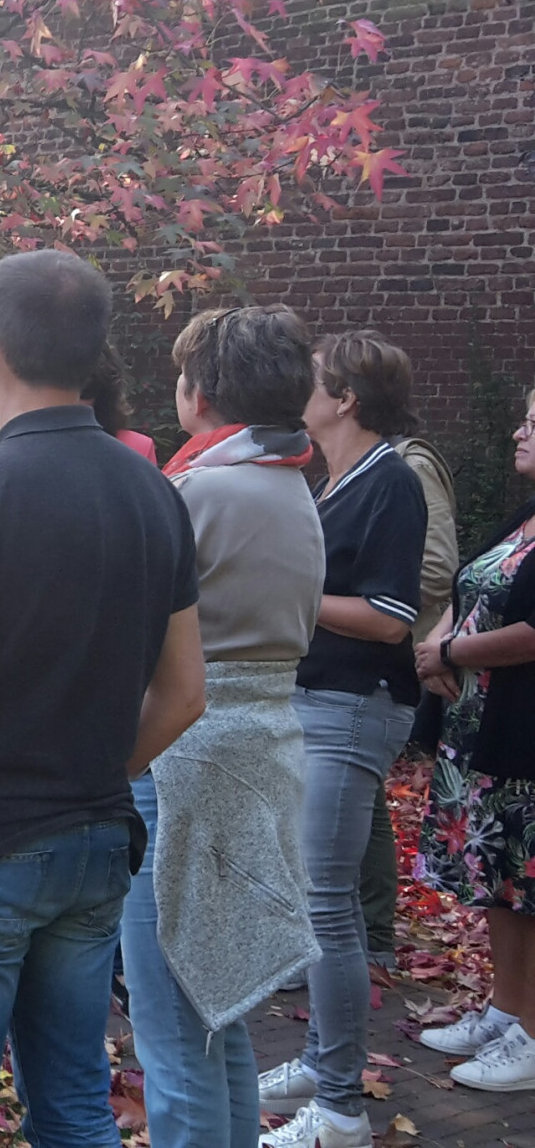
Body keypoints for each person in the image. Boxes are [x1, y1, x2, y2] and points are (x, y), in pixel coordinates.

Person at [0, 249, 207, 1145]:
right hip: (93, 840)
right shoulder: (157, 492)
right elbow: (183, 695)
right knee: (74, 1106)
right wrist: (94, 770)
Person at [121, 306, 325, 1148]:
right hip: (264, 755)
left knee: (172, 1034)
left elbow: (129, 630)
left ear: (199, 392)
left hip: (184, 762)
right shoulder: (292, 487)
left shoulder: (196, 492)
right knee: (220, 1015)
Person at [258, 330, 428, 1148]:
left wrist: (290, 595)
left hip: (354, 705)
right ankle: (328, 1059)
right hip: (321, 702)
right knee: (318, 899)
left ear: (346, 398)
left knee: (327, 904)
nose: (301, 393)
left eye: (315, 381)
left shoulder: (389, 482)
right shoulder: (333, 480)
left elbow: (393, 620)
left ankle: (338, 1110)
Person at [411, 390, 535, 1091]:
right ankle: (508, 1010)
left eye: (533, 423)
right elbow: (468, 587)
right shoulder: (524, 517)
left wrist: (453, 651)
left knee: (529, 882)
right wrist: (438, 643)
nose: (518, 431)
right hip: (480, 733)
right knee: (498, 882)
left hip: (524, 740)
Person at [357, 430, 457, 971]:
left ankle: (370, 935)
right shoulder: (355, 468)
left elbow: (439, 568)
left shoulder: (406, 467)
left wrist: (372, 606)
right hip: (364, 662)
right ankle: (365, 933)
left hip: (386, 664)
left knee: (363, 800)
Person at [0, 346, 157, 463]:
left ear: (101, 392)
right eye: (58, 386)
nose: (71, 400)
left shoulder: (136, 448)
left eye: (85, 391)